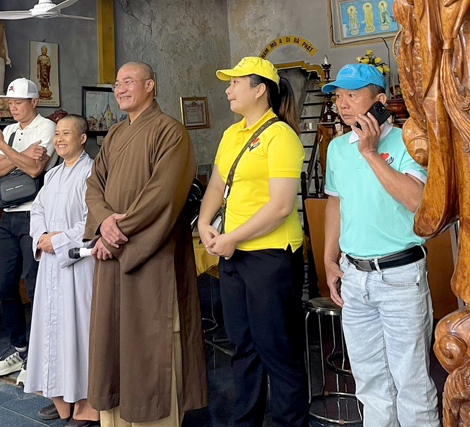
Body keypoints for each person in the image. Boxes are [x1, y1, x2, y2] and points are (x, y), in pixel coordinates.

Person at [84, 61, 208, 426]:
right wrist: (103, 222)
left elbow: (163, 196)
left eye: (128, 82)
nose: (120, 89)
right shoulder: (114, 135)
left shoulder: (171, 132)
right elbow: (93, 185)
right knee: (113, 339)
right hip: (113, 253)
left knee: (151, 337)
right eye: (116, 84)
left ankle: (154, 418)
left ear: (150, 85)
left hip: (152, 256)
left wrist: (115, 236)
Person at [322, 63, 440, 426]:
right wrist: (329, 258)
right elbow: (335, 202)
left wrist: (371, 152)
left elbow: (417, 200)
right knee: (370, 383)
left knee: (412, 383)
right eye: (338, 96)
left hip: (400, 275)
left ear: (380, 101)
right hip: (354, 277)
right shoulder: (337, 148)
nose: (342, 104)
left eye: (352, 95)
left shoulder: (409, 141)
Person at [197, 56, 308, 427]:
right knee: (242, 347)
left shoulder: (280, 136)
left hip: (271, 257)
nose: (228, 90)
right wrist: (204, 223)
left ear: (260, 90)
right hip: (235, 256)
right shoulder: (232, 134)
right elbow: (217, 185)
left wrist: (232, 237)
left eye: (235, 83)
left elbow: (280, 207)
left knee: (277, 350)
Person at [26, 115, 99, 427]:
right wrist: (41, 237)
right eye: (57, 134)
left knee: (78, 331)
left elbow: (93, 219)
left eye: (66, 133)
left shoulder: (92, 172)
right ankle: (61, 397)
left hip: (77, 264)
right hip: (50, 264)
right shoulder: (52, 174)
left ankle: (86, 405)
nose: (59, 139)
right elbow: (37, 209)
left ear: (82, 139)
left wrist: (58, 241)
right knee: (52, 329)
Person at [0, 77, 57, 378]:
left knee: (34, 283)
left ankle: (39, 355)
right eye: (10, 102)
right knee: (3, 285)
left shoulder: (46, 127)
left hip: (34, 215)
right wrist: (23, 155)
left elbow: (36, 169)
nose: (13, 107)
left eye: (18, 102)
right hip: (8, 215)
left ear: (34, 102)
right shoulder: (12, 131)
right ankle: (21, 348)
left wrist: (3, 147)